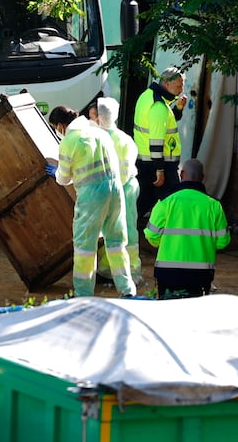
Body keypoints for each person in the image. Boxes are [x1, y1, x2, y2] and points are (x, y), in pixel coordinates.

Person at [46, 105, 136, 298]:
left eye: (55, 127)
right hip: (115, 191)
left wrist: (56, 172)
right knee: (116, 244)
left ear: (61, 125)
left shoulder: (70, 140)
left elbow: (63, 178)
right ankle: (127, 290)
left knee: (85, 247)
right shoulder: (99, 132)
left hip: (91, 197)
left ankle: (83, 294)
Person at [144, 158, 229, 298]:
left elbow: (152, 236)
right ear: (202, 178)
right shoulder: (214, 205)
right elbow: (222, 242)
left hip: (167, 273)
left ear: (181, 174)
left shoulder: (165, 201)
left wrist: (169, 244)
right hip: (200, 275)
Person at [93, 97, 143, 286]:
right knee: (127, 229)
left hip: (105, 191)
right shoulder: (124, 139)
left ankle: (108, 270)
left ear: (98, 116)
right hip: (126, 188)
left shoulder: (95, 138)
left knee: (106, 230)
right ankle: (129, 270)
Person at [133, 66, 187, 220]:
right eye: (179, 85)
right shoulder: (158, 106)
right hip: (159, 164)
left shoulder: (148, 96)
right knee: (172, 201)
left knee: (144, 201)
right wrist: (160, 169)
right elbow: (156, 140)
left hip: (147, 161)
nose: (181, 89)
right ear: (166, 84)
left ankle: (127, 232)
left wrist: (178, 109)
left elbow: (163, 125)